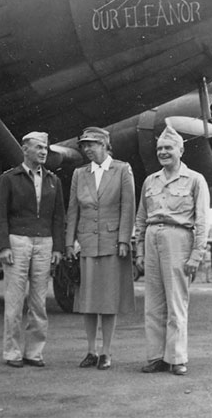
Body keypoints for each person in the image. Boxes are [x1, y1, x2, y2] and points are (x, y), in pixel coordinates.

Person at [134, 124, 210, 376]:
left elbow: (202, 222)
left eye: (168, 148)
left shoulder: (195, 180)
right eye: (159, 148)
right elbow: (141, 218)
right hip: (152, 238)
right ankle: (156, 357)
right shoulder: (150, 181)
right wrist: (140, 252)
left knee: (177, 302)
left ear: (181, 150)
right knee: (153, 304)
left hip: (179, 240)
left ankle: (176, 358)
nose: (163, 152)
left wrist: (196, 256)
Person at [66, 127, 135, 370]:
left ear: (105, 145)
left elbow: (128, 207)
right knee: (87, 301)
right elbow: (73, 209)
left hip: (111, 243)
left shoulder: (122, 169)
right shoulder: (79, 173)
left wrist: (124, 240)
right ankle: (90, 350)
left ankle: (106, 352)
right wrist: (69, 242)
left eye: (91, 144)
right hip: (85, 243)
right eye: (84, 145)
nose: (86, 149)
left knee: (108, 300)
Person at [0, 131, 65, 368]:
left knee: (38, 302)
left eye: (45, 147)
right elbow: (1, 215)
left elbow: (58, 217)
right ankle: (12, 352)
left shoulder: (54, 181)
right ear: (25, 150)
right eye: (38, 147)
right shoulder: (9, 178)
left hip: (44, 243)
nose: (43, 152)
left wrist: (58, 247)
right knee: (14, 302)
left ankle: (34, 352)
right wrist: (3, 246)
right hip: (17, 242)